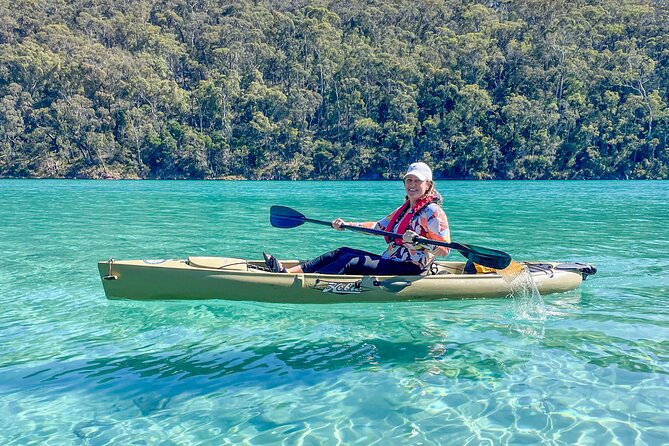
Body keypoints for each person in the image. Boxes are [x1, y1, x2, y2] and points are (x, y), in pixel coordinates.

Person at [263, 162, 450, 275]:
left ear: (428, 185)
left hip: (411, 268)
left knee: (350, 261)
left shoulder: (433, 212)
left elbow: (444, 249)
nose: (412, 185)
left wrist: (419, 243)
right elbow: (378, 226)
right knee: (341, 252)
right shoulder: (404, 210)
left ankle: (309, 285)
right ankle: (288, 273)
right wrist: (346, 225)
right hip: (392, 261)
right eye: (409, 180)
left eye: (418, 181)